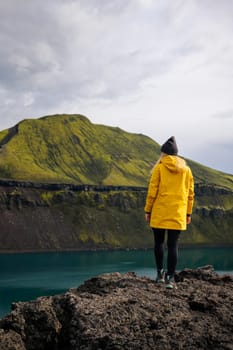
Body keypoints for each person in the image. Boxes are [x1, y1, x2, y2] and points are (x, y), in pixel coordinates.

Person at [144, 136, 194, 289]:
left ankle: (160, 275)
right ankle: (171, 279)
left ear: (163, 154)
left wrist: (148, 210)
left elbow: (152, 192)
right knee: (173, 245)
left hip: (159, 211)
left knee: (159, 242)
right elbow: (190, 193)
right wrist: (188, 214)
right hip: (178, 213)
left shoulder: (159, 168)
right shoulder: (186, 170)